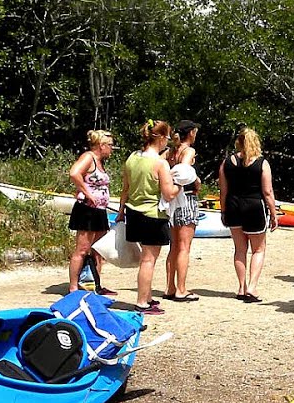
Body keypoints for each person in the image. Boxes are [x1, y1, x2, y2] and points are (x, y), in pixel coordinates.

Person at [120, 120, 180, 315]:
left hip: (133, 212)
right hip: (153, 214)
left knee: (147, 259)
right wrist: (181, 185)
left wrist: (121, 211)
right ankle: (142, 302)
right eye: (168, 138)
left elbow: (125, 188)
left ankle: (146, 296)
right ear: (161, 138)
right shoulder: (160, 163)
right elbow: (169, 193)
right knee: (148, 260)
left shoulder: (132, 158)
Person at [218, 126, 280, 301]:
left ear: (239, 142)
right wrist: (274, 214)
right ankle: (252, 286)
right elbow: (267, 192)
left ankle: (241, 287)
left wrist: (223, 211)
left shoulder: (226, 163)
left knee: (239, 249)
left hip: (233, 206)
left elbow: (223, 190)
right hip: (254, 206)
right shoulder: (262, 163)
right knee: (258, 249)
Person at [67, 129, 115, 294]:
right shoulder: (88, 157)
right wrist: (87, 193)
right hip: (87, 209)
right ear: (101, 145)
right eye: (110, 145)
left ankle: (95, 283)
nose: (112, 149)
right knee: (82, 249)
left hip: (100, 210)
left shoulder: (100, 161)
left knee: (98, 249)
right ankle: (73, 286)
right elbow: (74, 173)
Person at [163, 120, 201, 302]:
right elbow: (184, 171)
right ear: (191, 133)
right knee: (184, 247)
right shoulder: (188, 151)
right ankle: (181, 289)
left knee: (174, 246)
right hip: (186, 199)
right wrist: (196, 180)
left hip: (171, 202)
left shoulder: (169, 152)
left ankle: (170, 287)